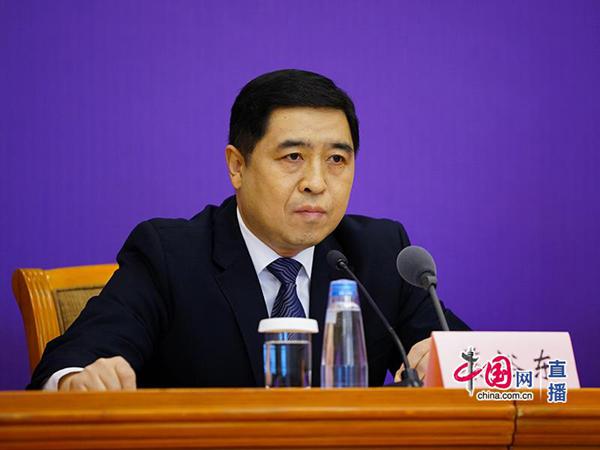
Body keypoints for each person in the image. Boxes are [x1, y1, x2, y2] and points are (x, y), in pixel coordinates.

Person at [29, 69, 469, 391]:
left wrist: (446, 362)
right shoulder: (169, 255)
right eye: (293, 157)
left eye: (337, 159)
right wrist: (79, 380)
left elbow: (477, 363)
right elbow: (70, 363)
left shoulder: (380, 253)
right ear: (237, 166)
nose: (317, 182)